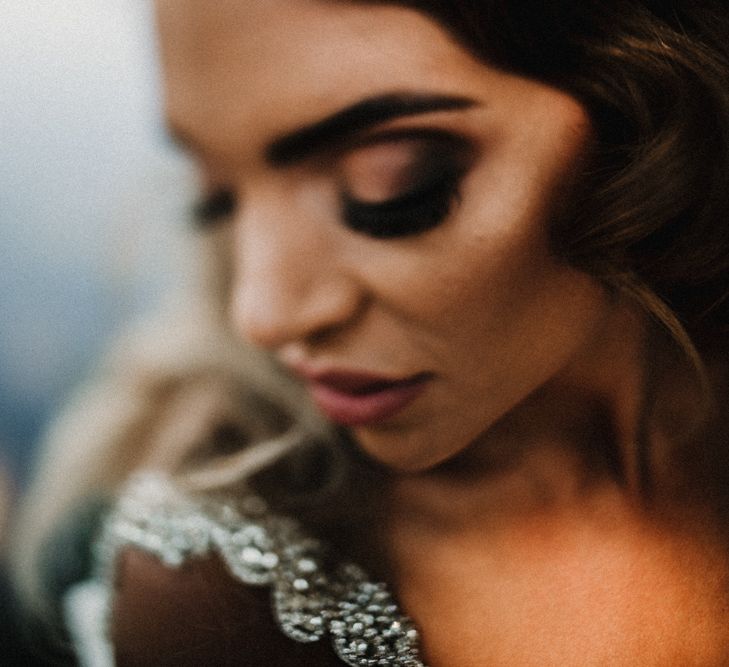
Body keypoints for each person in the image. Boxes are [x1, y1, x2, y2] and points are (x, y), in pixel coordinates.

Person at [11, 1, 729, 665]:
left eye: (391, 184)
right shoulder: (214, 591)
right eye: (217, 197)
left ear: (651, 100)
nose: (262, 314)